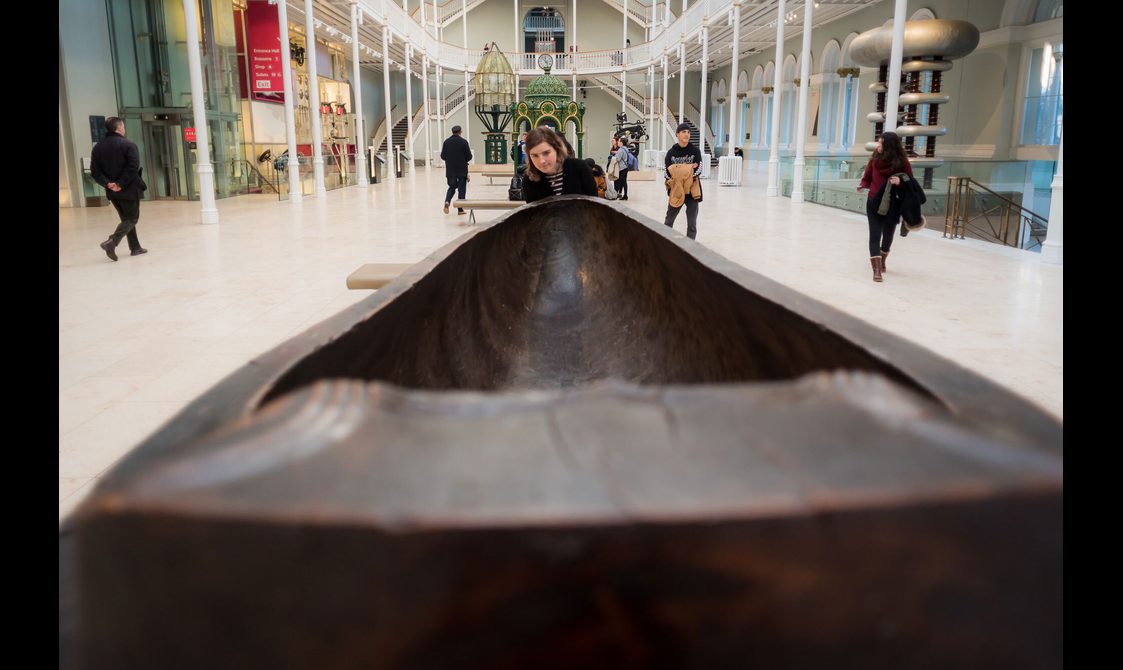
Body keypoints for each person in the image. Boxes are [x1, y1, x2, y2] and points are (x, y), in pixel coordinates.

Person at [857, 131, 913, 282]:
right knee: (874, 235)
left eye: (881, 143)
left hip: (893, 204)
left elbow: (910, 183)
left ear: (889, 146)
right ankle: (876, 270)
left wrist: (900, 183)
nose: (878, 145)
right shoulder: (874, 159)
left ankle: (882, 261)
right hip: (874, 202)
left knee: (887, 236)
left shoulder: (902, 163)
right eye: (878, 142)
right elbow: (867, 176)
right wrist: (862, 185)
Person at [90, 117, 147, 261]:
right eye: (123, 126)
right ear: (119, 127)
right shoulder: (128, 145)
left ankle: (135, 248)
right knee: (132, 218)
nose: (124, 128)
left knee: (126, 219)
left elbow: (95, 172)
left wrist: (108, 184)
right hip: (128, 189)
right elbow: (132, 168)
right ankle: (112, 242)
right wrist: (120, 184)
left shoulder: (98, 148)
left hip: (112, 192)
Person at [521, 127, 598, 203]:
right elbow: (533, 213)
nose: (542, 161)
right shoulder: (529, 180)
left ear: (557, 149)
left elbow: (595, 205)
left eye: (546, 153)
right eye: (535, 155)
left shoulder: (580, 168)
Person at [663, 122, 704, 239]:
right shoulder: (671, 153)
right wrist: (689, 168)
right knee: (669, 220)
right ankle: (665, 242)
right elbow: (667, 172)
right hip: (676, 190)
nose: (687, 134)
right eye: (683, 132)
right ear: (677, 134)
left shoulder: (695, 151)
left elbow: (699, 169)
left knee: (692, 224)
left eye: (688, 132)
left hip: (692, 191)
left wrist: (678, 171)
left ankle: (690, 247)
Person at [440, 125, 473, 215]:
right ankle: (460, 210)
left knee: (452, 187)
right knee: (462, 189)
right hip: (462, 170)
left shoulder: (446, 142)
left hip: (450, 170)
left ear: (452, 132)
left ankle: (447, 202)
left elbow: (442, 156)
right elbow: (469, 156)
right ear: (460, 132)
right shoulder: (464, 142)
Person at [612, 136, 635, 201]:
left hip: (621, 168)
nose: (618, 142)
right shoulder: (626, 149)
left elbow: (617, 159)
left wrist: (614, 156)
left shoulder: (621, 149)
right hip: (626, 167)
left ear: (621, 143)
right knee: (624, 182)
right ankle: (625, 195)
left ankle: (616, 194)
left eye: (619, 141)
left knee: (617, 181)